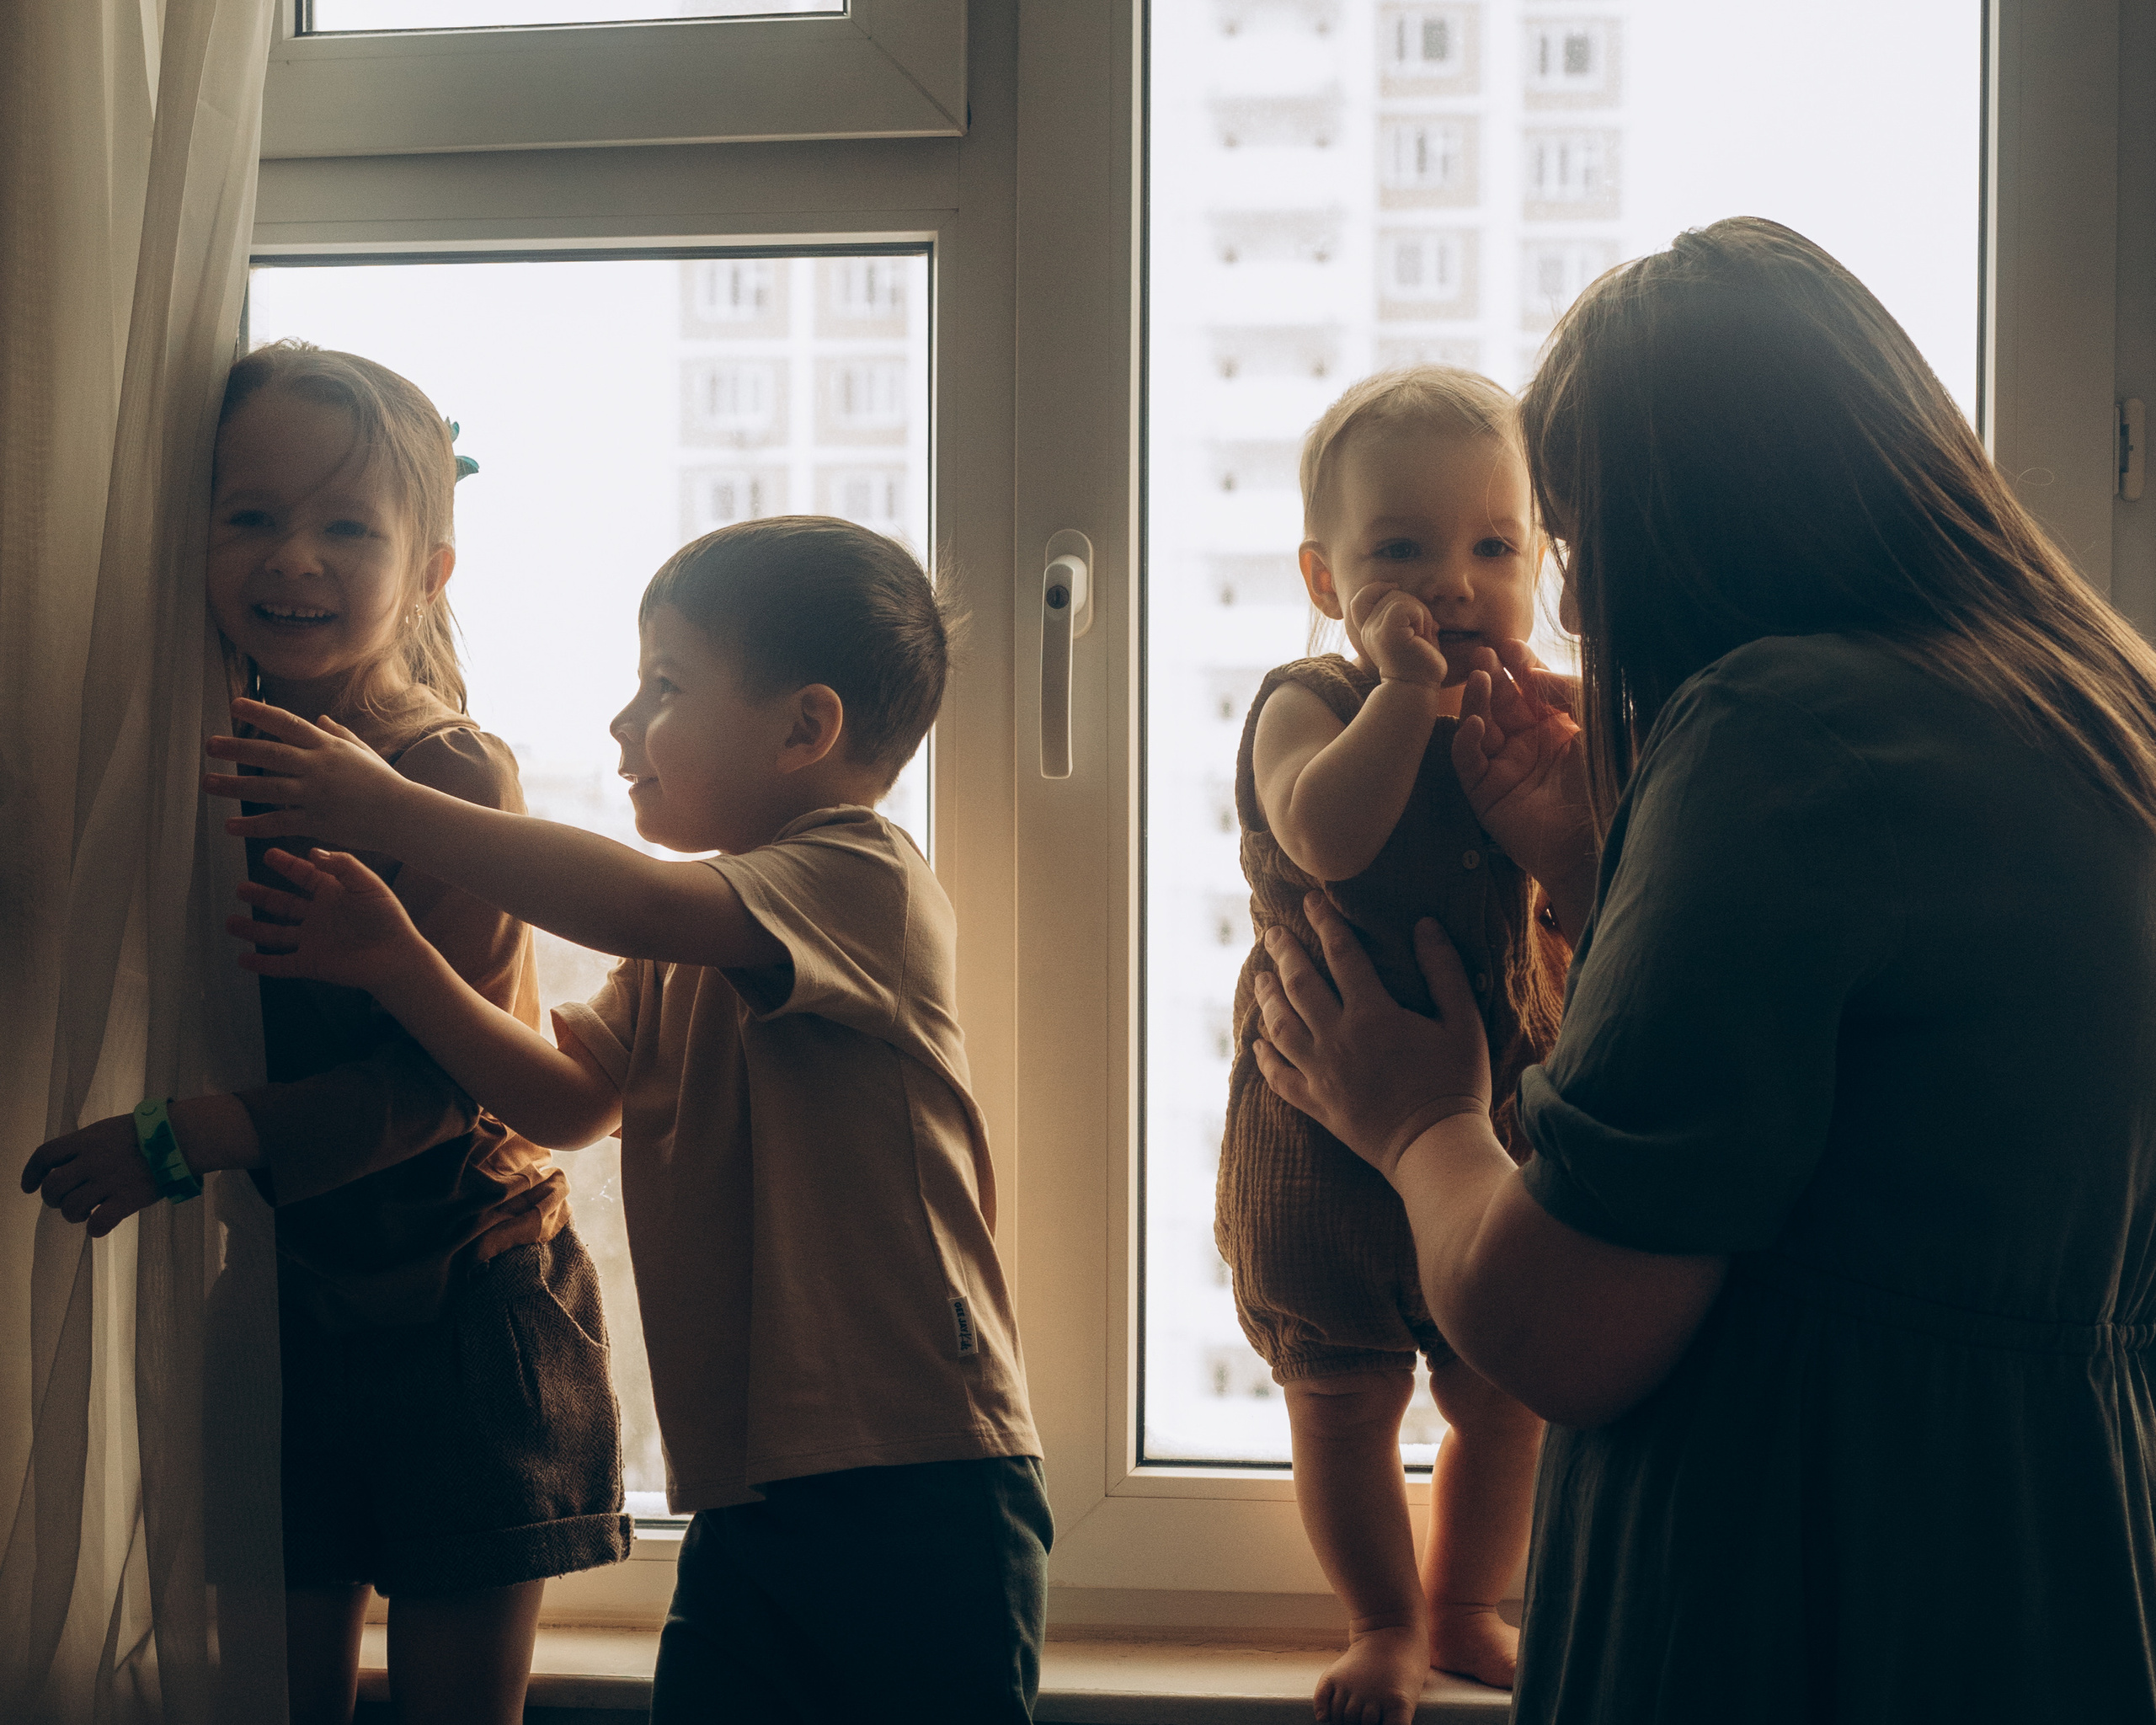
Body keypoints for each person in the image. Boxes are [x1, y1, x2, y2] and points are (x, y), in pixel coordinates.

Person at [1248, 216, 2156, 1723]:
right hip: (2046, 1564)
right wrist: (1598, 877)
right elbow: (1875, 1113)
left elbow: (1566, 1328)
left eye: (1572, 539)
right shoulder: (2090, 704)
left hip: (1804, 1587)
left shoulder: (1776, 732)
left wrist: (1413, 1121)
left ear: (1687, 517)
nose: (1582, 608)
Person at [195, 515, 1051, 1723]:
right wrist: (397, 964)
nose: (620, 725)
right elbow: (566, 1102)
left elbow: (637, 900)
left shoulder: (861, 876)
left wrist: (392, 812)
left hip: (917, 1473)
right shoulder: (689, 947)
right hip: (755, 1493)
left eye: (664, 685)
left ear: (807, 729)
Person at [19, 342, 631, 1725]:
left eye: (346, 526)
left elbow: (427, 1093)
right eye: (253, 517)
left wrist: (183, 1139)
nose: (293, 558)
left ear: (429, 570)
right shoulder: (187, 743)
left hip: (469, 1308)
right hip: (288, 1304)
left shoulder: (438, 771)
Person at [1217, 366, 1568, 1717]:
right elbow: (1325, 833)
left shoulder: (1534, 701)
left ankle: (1467, 1603)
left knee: (1507, 1391)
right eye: (1402, 553)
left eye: (1494, 548)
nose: (1455, 585)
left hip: (1502, 1116)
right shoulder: (1309, 701)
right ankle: (1379, 1622)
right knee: (1344, 1396)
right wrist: (1403, 699)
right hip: (1320, 1128)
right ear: (1325, 577)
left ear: (1539, 560)